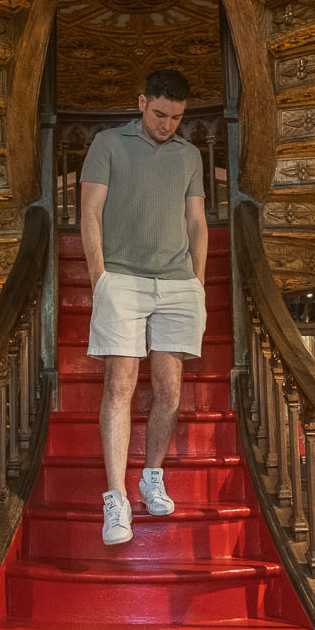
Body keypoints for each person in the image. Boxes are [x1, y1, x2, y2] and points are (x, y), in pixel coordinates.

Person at [79, 67, 208, 546]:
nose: (167, 124)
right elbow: (90, 212)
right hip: (123, 279)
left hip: (177, 282)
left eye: (176, 117)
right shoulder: (108, 144)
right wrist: (99, 278)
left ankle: (151, 475)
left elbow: (196, 221)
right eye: (159, 114)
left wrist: (197, 283)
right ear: (141, 102)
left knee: (170, 391)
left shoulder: (190, 154)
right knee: (121, 385)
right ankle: (116, 499)